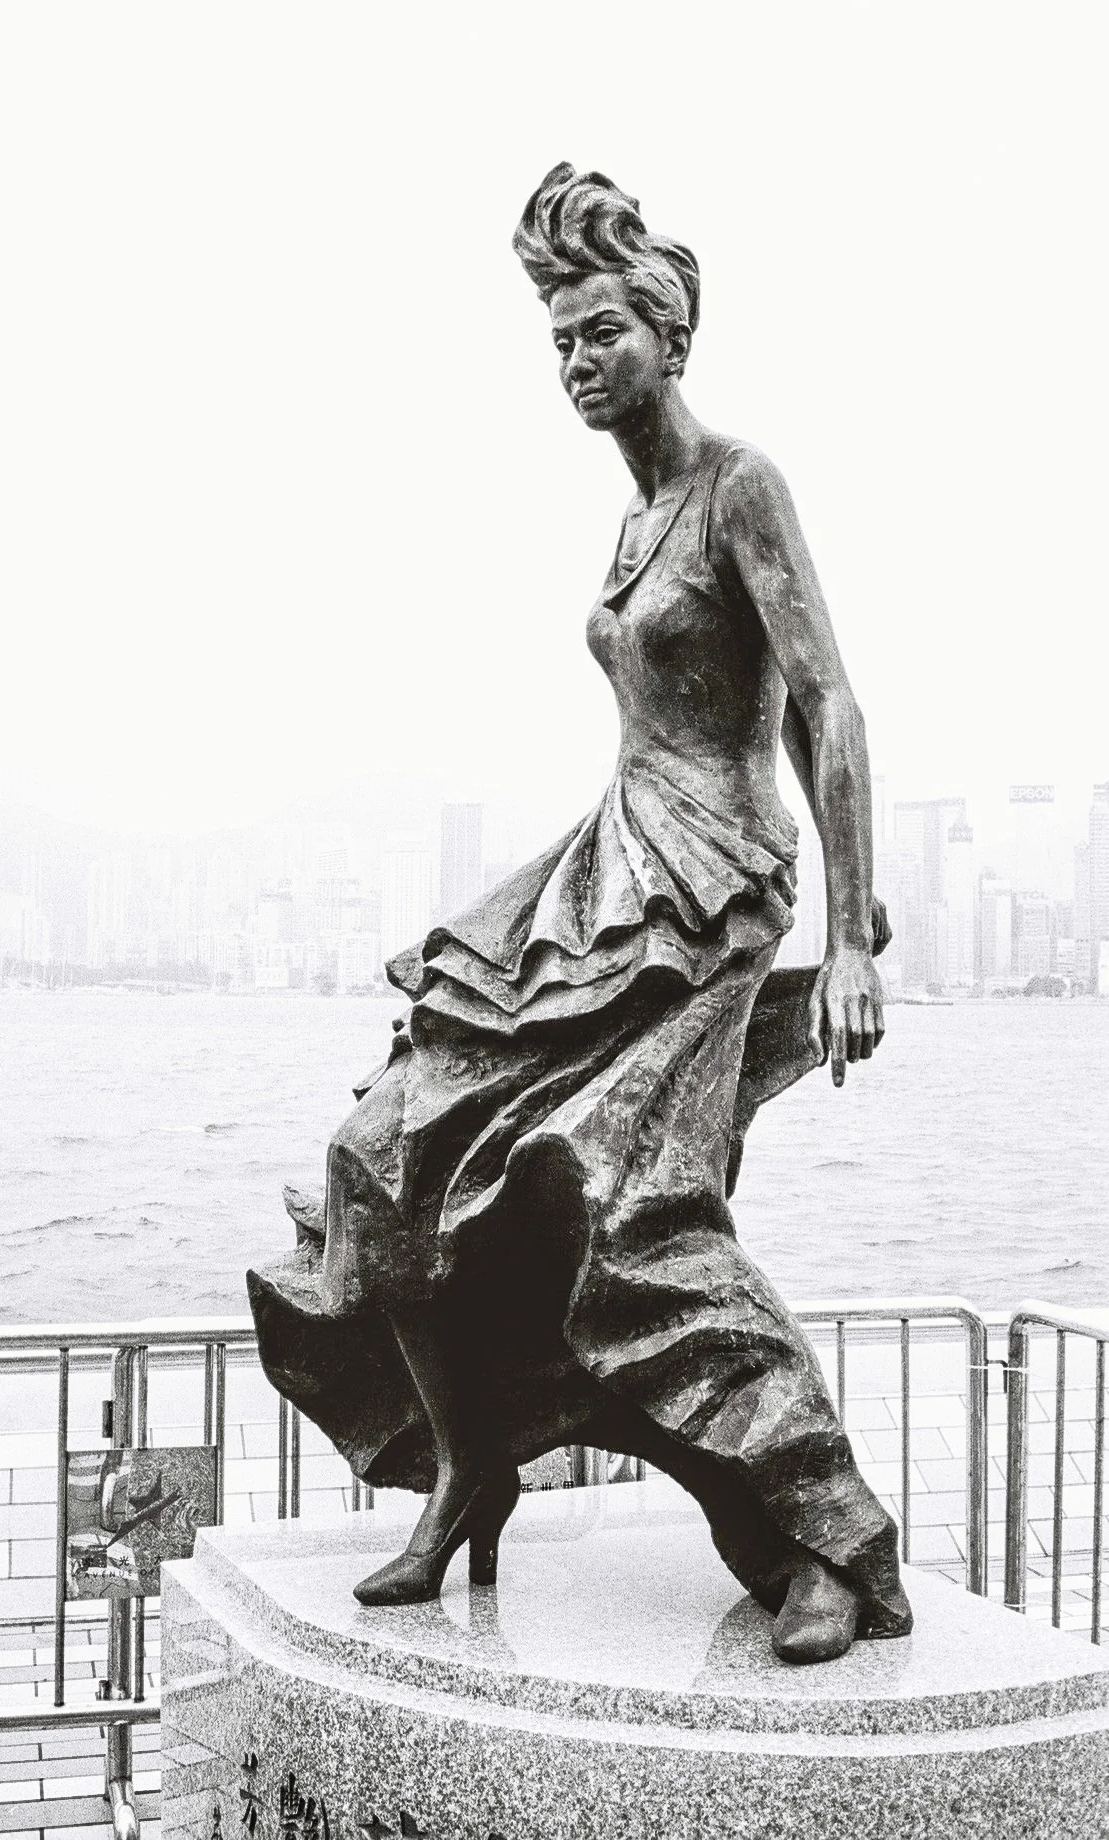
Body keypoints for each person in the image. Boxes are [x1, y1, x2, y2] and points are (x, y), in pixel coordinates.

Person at [249, 163, 912, 1665]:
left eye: (602, 329)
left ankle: (825, 1537)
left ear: (667, 335)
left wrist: (857, 931)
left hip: (713, 885)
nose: (578, 362)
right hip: (602, 876)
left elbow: (827, 701)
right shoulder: (633, 523)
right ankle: (472, 1462)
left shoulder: (743, 485)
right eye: (558, 341)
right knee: (383, 1156)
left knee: (634, 1209)